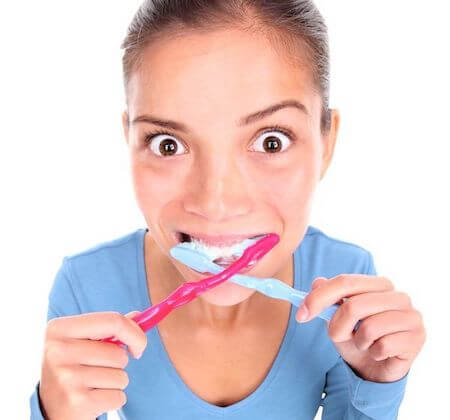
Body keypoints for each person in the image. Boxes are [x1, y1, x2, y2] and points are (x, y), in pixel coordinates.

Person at [29, 1, 426, 419]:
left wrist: (377, 382)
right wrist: (53, 411)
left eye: (271, 141)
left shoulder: (346, 284)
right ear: (129, 141)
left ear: (326, 145)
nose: (215, 203)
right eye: (167, 144)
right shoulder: (86, 287)